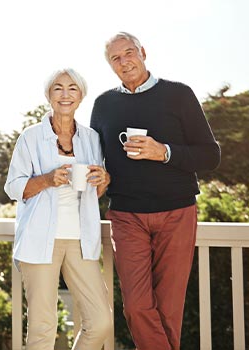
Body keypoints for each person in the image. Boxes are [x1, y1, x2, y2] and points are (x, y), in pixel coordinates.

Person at [90, 32, 221, 350]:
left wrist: (163, 151)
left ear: (143, 52)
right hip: (126, 216)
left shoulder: (179, 95)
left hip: (177, 212)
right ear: (110, 66)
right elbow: (93, 159)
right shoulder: (103, 104)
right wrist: (99, 176)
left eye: (129, 52)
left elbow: (210, 155)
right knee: (136, 307)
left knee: (168, 310)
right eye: (115, 58)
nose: (124, 61)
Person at [4, 68, 113, 350]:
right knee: (42, 327)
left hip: (81, 239)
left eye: (72, 88)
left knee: (101, 321)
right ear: (49, 96)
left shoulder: (91, 138)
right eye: (58, 88)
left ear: (81, 96)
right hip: (40, 238)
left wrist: (104, 179)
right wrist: (47, 179)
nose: (65, 94)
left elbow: (96, 190)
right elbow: (14, 187)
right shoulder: (30, 137)